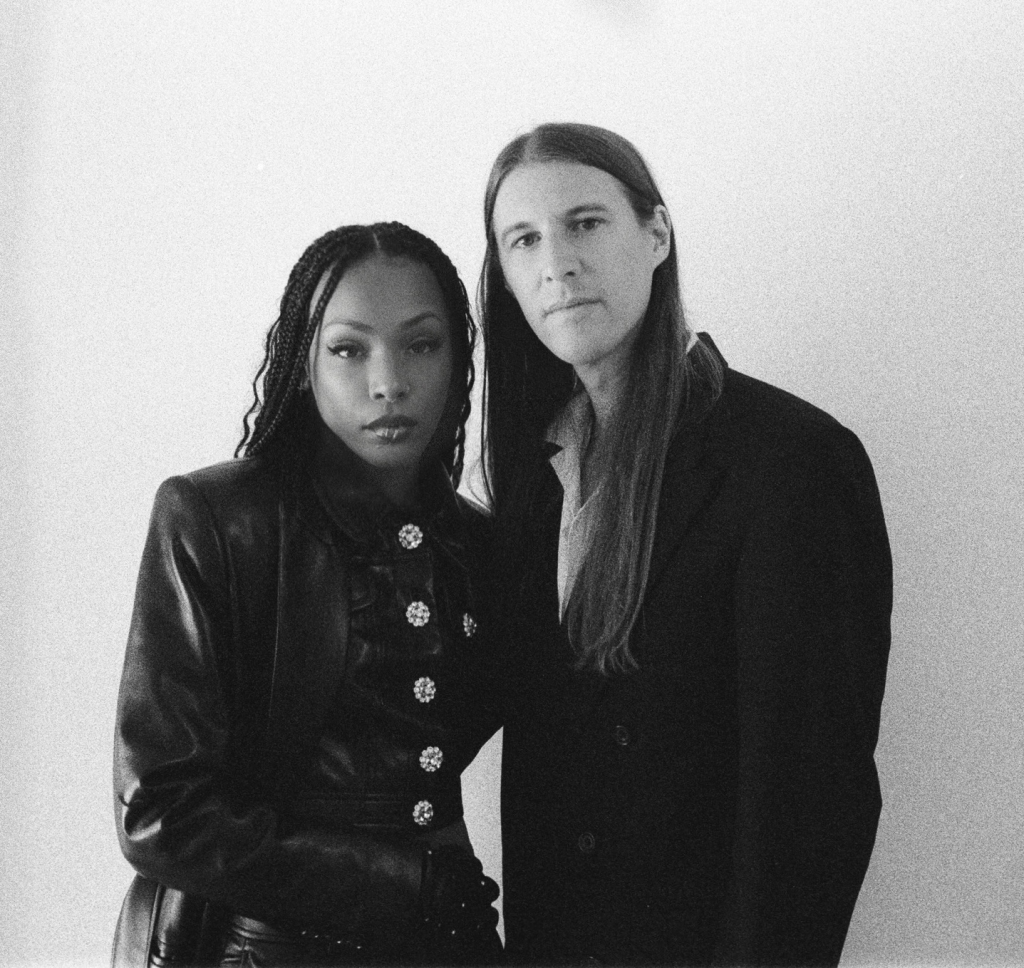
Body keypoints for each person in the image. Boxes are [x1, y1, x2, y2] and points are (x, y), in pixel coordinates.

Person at [479, 123, 893, 967]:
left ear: (657, 233)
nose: (555, 262)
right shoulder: (530, 478)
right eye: (524, 240)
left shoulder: (789, 462)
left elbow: (814, 801)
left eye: (586, 223)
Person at [114, 222, 503, 966]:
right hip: (257, 947)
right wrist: (404, 883)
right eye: (349, 349)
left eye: (422, 344)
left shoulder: (481, 547)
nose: (388, 381)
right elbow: (160, 814)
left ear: (459, 359)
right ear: (304, 363)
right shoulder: (219, 520)